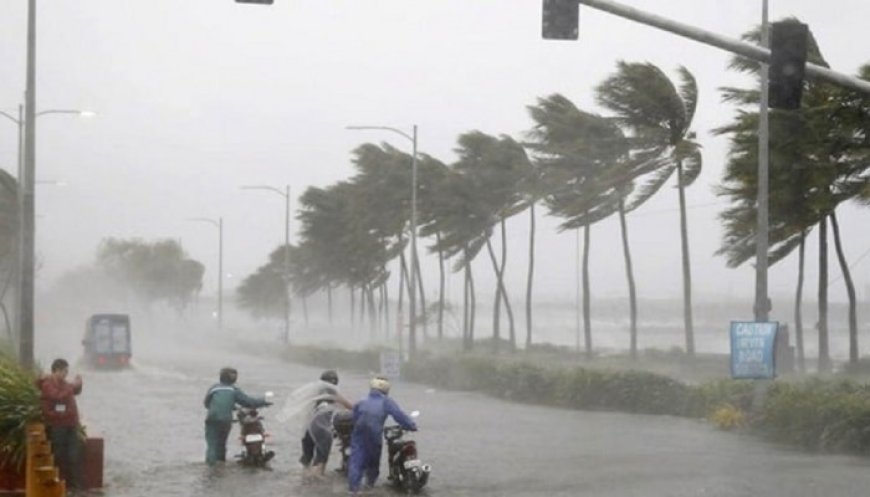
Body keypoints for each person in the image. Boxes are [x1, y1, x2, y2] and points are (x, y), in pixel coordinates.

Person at [347, 376, 417, 496]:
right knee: (373, 462)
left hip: (358, 434)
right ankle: (369, 487)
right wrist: (411, 426)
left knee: (356, 461)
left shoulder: (361, 401)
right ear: (386, 389)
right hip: (374, 434)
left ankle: (353, 490)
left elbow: (354, 418)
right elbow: (399, 416)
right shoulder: (386, 402)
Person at [203, 366, 271, 465]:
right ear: (234, 379)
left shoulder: (213, 388)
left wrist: (228, 407)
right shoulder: (233, 390)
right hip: (226, 420)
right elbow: (248, 402)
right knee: (221, 443)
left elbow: (206, 403)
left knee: (212, 444)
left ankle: (211, 467)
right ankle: (221, 464)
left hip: (212, 419)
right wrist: (263, 402)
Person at [37, 358, 83, 492]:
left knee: (74, 455)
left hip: (70, 423)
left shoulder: (64, 383)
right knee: (59, 455)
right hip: (57, 424)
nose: (66, 375)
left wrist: (78, 384)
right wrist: (71, 387)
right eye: (64, 372)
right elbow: (58, 396)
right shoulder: (48, 384)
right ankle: (58, 484)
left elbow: (74, 390)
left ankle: (74, 486)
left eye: (67, 372)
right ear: (56, 370)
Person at [299, 369, 353, 480]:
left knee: (307, 457)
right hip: (321, 430)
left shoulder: (314, 393)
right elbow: (348, 405)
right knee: (321, 458)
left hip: (307, 429)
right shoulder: (332, 393)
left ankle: (304, 481)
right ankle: (317, 484)